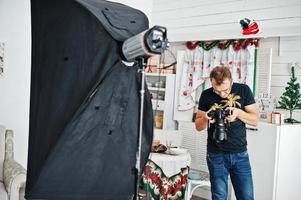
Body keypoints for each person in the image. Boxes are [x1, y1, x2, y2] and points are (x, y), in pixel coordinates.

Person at [195, 66, 259, 200]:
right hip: (216, 154)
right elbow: (198, 126)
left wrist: (239, 113)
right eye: (217, 91)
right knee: (219, 196)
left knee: (246, 196)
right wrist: (205, 118)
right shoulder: (206, 95)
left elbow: (255, 120)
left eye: (225, 90)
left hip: (240, 154)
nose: (222, 94)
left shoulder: (243, 90)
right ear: (211, 82)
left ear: (231, 80)